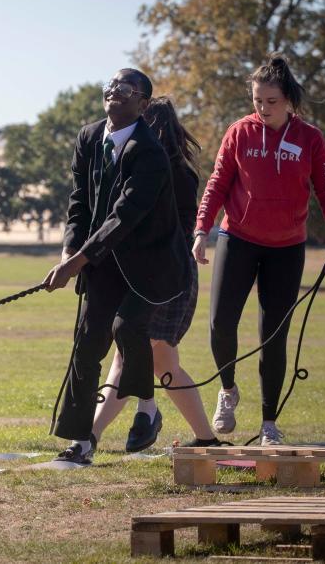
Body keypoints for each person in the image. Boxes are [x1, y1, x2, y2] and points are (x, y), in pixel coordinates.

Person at [194, 54, 325, 446]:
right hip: (237, 239)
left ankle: (268, 424)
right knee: (220, 323)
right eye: (257, 100)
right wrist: (201, 231)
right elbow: (217, 184)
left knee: (273, 336)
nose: (262, 109)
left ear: (289, 99)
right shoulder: (240, 132)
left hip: (286, 248)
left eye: (271, 101)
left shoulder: (310, 138)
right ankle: (227, 390)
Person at [43, 69, 191, 466]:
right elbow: (79, 202)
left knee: (127, 328)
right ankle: (80, 442)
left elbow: (124, 216)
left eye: (125, 90)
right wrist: (68, 250)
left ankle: (147, 406)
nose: (114, 93)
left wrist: (77, 261)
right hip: (101, 260)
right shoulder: (89, 137)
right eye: (110, 87)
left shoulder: (150, 152)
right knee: (88, 342)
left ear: (143, 103)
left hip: (152, 266)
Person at [91, 98, 223, 451]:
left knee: (126, 355)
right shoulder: (162, 169)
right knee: (166, 366)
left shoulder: (167, 173)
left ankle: (89, 437)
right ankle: (206, 439)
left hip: (166, 278)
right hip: (158, 277)